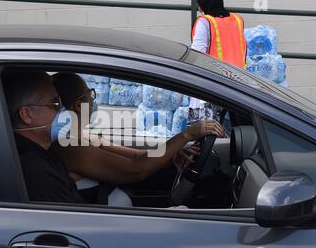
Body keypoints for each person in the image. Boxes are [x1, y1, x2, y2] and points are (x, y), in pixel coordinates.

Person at [51, 72, 224, 205]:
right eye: (90, 94)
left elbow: (137, 156)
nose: (93, 100)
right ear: (79, 105)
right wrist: (187, 135)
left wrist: (172, 156)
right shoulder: (69, 146)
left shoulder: (83, 137)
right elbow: (135, 169)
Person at [2, 69, 86, 204]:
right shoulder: (37, 173)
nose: (64, 110)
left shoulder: (39, 152)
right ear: (27, 115)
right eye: (55, 104)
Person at [191, 0, 247, 69]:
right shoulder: (237, 19)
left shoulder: (205, 22)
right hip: (240, 76)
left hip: (217, 77)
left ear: (203, 4)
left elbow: (197, 53)